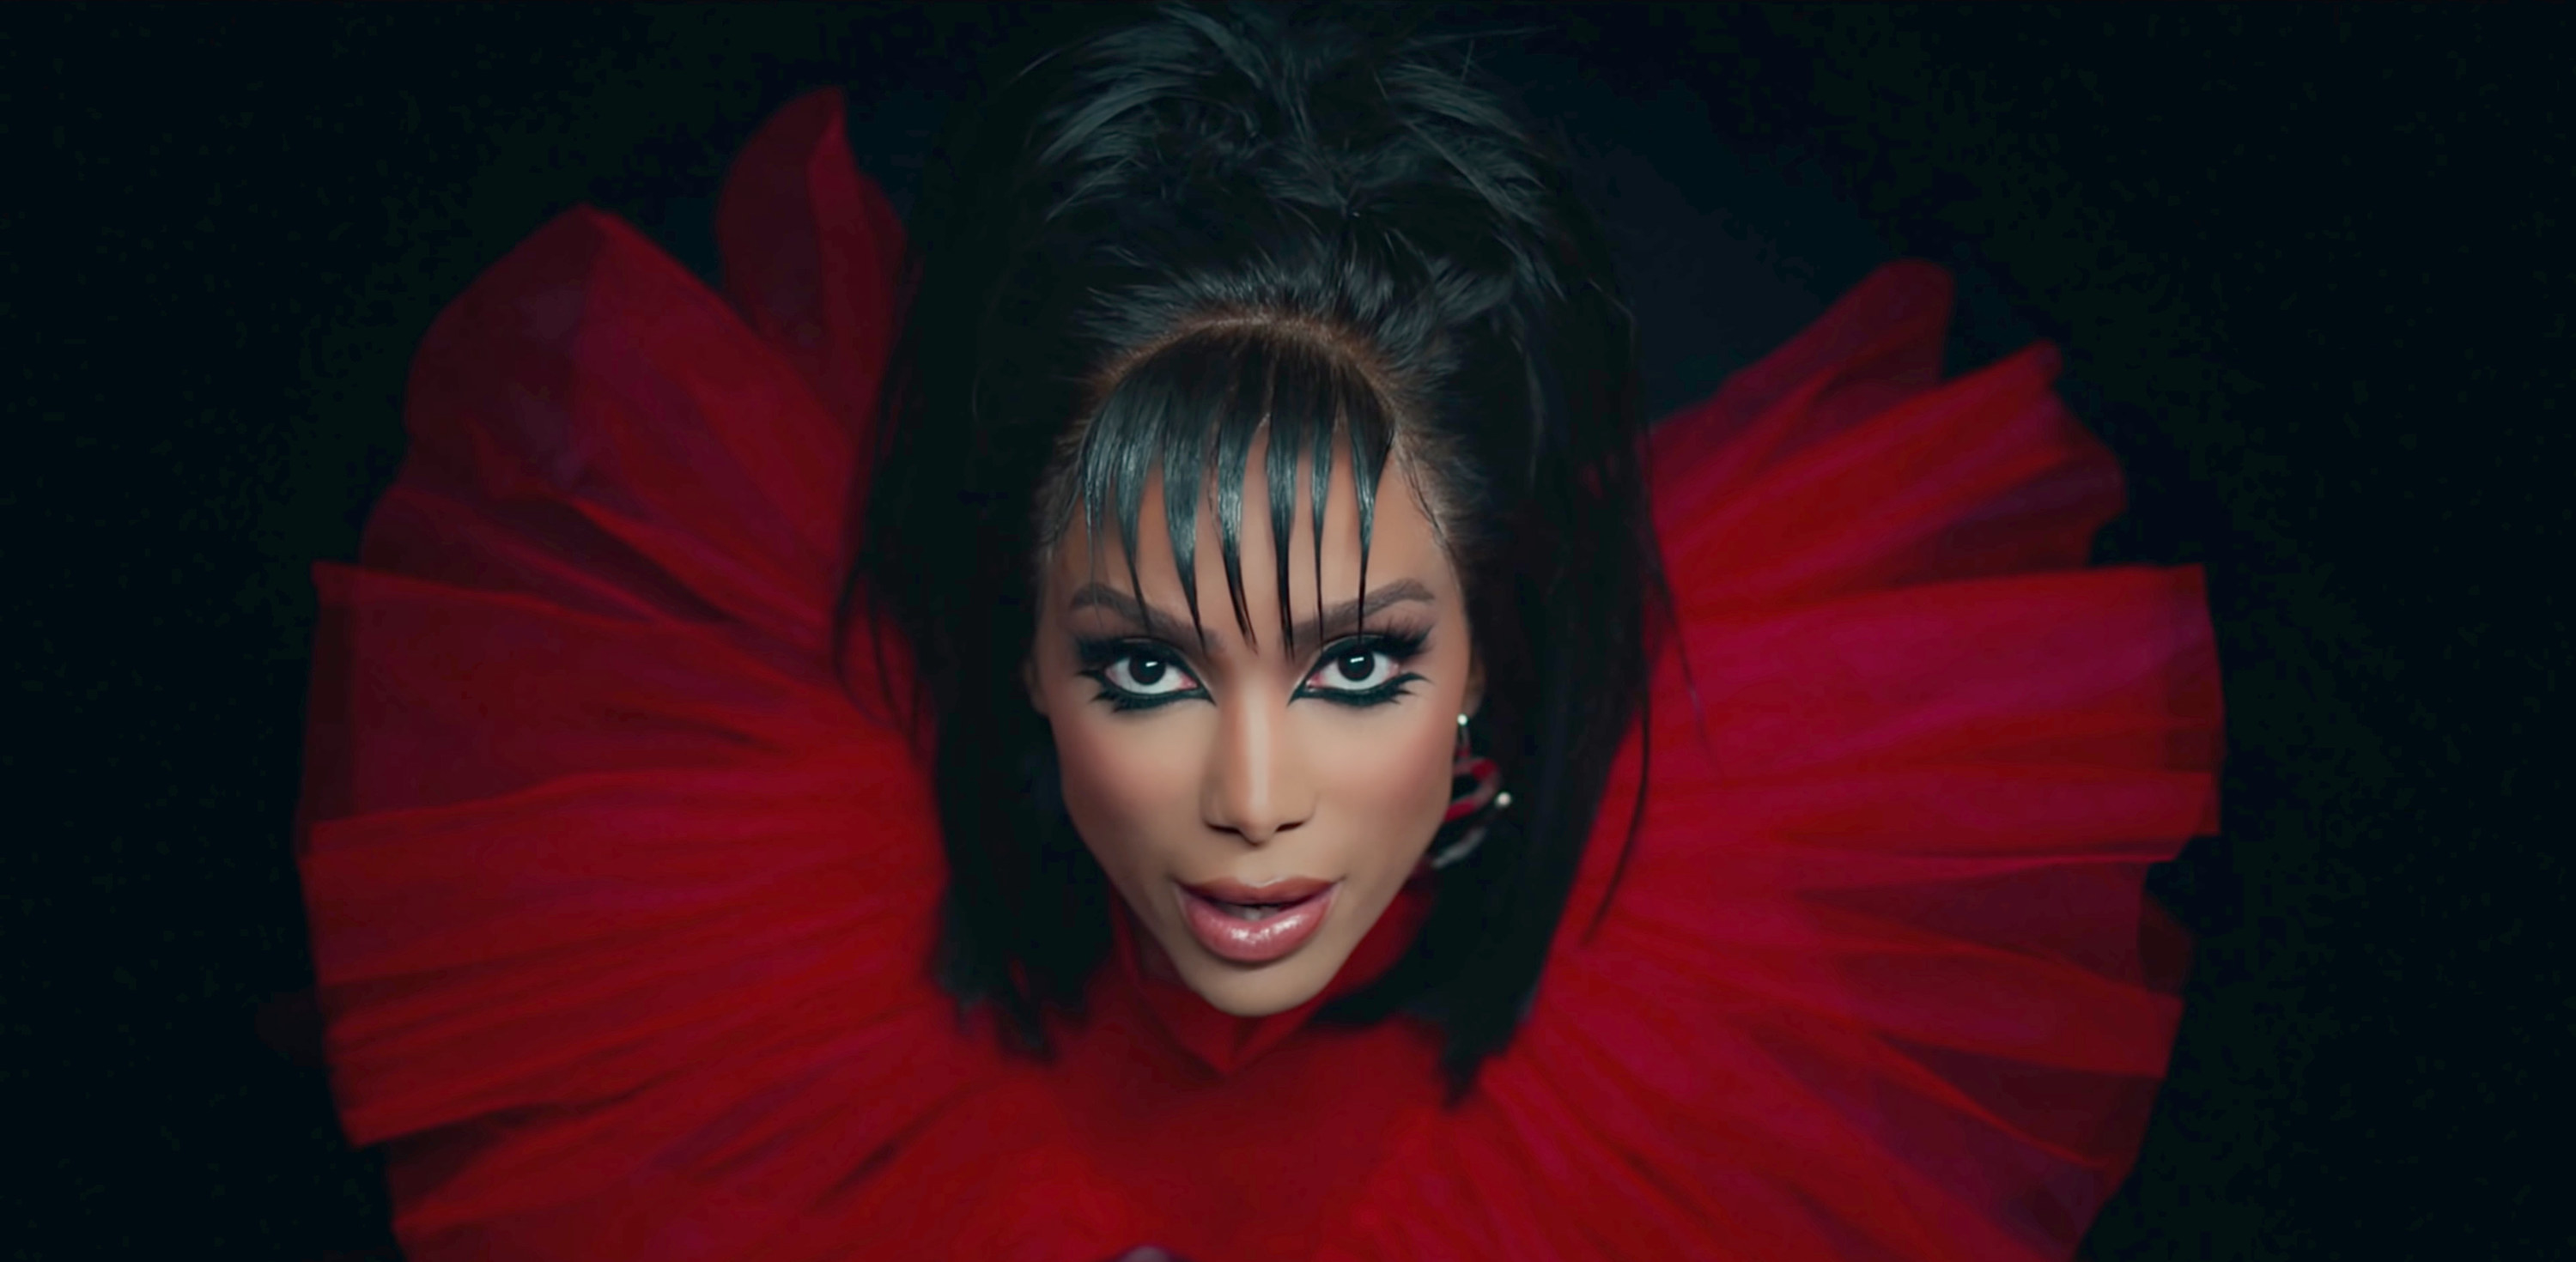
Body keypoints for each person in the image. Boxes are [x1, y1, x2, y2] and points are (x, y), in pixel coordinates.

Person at [293, 6, 2223, 1259]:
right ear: (1023, 657)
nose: (1252, 798)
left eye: (1360, 666)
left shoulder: (1743, 1014)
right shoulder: (737, 974)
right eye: (1144, 664)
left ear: (1492, 657)